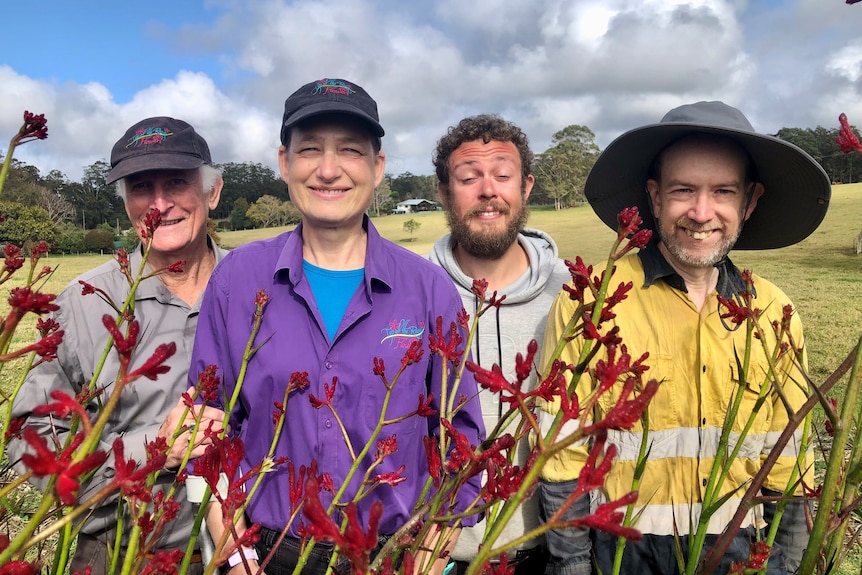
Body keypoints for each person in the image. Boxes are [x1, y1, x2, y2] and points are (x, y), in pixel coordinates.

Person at [189, 78, 484, 575]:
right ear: (284, 163)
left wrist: (433, 554)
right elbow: (209, 425)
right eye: (309, 150)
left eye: (350, 149)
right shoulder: (236, 281)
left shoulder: (428, 290)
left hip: (392, 554)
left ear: (378, 167)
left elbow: (462, 436)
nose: (328, 169)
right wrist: (235, 556)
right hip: (270, 554)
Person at [536, 101, 830, 574]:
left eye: (723, 191)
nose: (700, 211)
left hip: (740, 553)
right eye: (683, 190)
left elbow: (790, 463)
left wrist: (784, 563)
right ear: (654, 198)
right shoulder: (589, 302)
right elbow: (560, 459)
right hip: (622, 557)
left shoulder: (773, 311)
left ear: (750, 201)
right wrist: (572, 567)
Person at [8, 117, 229, 574]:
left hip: (253, 549)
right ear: (126, 203)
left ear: (213, 191)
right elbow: (31, 444)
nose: (161, 202)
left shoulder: (262, 287)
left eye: (177, 182)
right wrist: (153, 449)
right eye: (141, 186)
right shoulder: (83, 304)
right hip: (121, 552)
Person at [428, 114, 569, 574]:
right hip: (436, 555)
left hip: (546, 551)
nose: (488, 190)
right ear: (445, 193)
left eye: (502, 175)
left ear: (525, 187)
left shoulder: (572, 294)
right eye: (468, 178)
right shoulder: (412, 289)